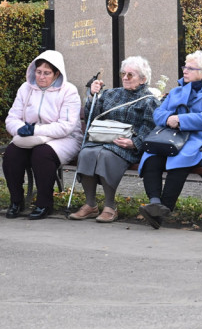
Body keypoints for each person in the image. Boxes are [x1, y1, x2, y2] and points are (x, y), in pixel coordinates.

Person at [137, 51, 202, 229]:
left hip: (199, 141)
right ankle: (155, 204)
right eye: (185, 66)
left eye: (190, 68)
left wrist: (181, 120)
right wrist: (170, 118)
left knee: (180, 159)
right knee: (151, 157)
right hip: (171, 139)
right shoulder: (177, 91)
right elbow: (158, 114)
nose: (185, 71)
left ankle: (163, 210)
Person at [70, 57, 159, 223]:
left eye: (130, 75)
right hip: (101, 140)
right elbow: (92, 116)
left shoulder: (149, 100)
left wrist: (135, 143)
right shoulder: (111, 94)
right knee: (86, 153)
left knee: (106, 156)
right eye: (123, 73)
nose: (125, 77)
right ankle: (90, 205)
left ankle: (110, 206)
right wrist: (92, 96)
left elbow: (150, 128)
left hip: (126, 146)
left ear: (143, 79)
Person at [3, 50, 82, 220]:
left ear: (57, 73)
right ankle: (16, 201)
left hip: (64, 139)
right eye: (38, 72)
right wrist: (19, 129)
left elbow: (65, 126)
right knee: (11, 154)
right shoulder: (25, 88)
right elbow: (12, 117)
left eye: (47, 73)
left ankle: (44, 203)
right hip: (32, 137)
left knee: (42, 154)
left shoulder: (69, 91)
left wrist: (35, 130)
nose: (41, 77)